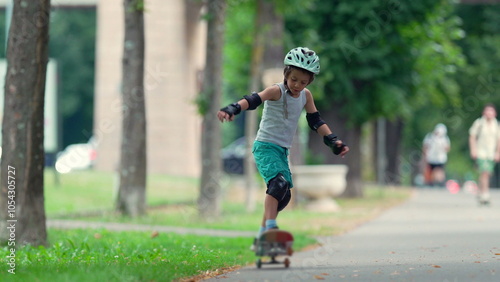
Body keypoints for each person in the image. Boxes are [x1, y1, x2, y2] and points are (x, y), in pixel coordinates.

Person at [217, 47, 349, 248]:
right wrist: (232, 108)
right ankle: (270, 230)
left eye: (303, 82)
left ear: (309, 82)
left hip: (282, 150)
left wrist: (333, 140)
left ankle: (262, 236)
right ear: (287, 74)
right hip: (265, 147)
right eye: (294, 79)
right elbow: (253, 99)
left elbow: (315, 120)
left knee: (284, 195)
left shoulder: (306, 96)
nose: (297, 85)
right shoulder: (276, 90)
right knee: (277, 185)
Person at [468, 103, 500, 205]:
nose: (489, 113)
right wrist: (473, 150)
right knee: (484, 172)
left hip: (491, 153)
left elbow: (498, 140)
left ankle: (481, 190)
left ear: (495, 113)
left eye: (491, 111)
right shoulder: (479, 123)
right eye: (487, 110)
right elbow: (472, 136)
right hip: (481, 152)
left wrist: (498, 152)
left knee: (487, 173)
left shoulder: (496, 125)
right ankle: (485, 194)